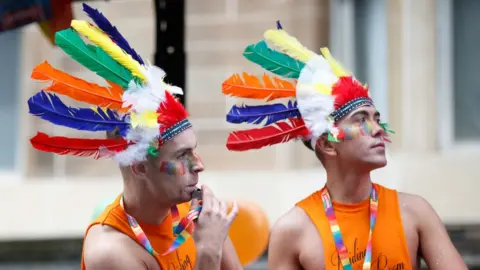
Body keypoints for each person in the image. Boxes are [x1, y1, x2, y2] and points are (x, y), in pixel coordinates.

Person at [221, 21, 468, 269]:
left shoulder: (414, 212)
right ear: (328, 144)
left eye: (376, 118)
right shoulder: (293, 229)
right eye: (361, 120)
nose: (378, 129)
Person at [27, 3, 243, 270]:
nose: (199, 165)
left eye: (193, 150)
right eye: (182, 155)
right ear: (139, 166)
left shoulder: (193, 214)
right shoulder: (111, 252)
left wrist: (216, 242)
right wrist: (208, 254)